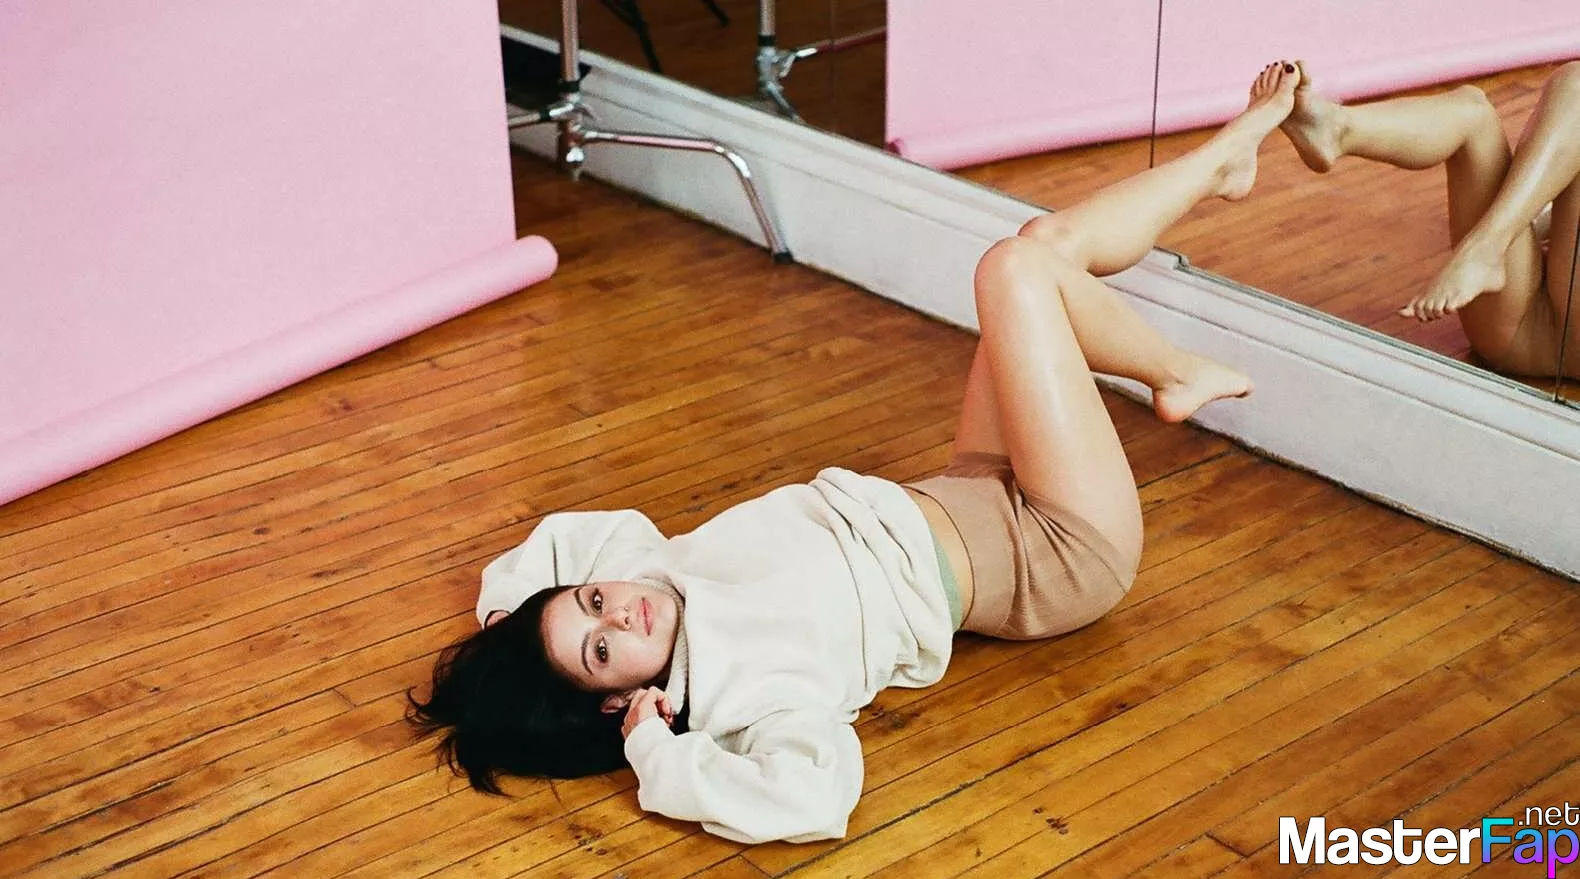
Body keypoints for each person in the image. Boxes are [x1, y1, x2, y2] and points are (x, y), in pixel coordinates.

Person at [405, 61, 1304, 844]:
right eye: (604, 649)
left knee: (1036, 247)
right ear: (617, 698)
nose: (620, 614)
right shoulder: (746, 696)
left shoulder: (651, 568)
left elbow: (559, 542)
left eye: (593, 601)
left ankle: (1227, 157)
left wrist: (505, 617)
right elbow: (813, 799)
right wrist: (650, 748)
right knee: (1015, 272)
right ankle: (1171, 370)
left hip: (970, 482)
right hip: (1056, 552)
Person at [1276, 60, 1580, 378]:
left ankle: (1486, 249)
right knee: (1472, 112)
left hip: (1553, 333)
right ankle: (1336, 129)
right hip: (1519, 324)